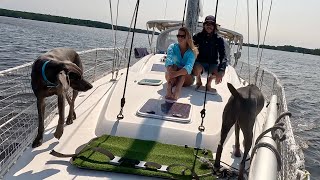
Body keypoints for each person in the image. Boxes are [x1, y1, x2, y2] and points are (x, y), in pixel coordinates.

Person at [192, 15, 227, 92]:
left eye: (212, 24)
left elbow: (223, 56)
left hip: (213, 64)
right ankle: (198, 79)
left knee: (221, 72)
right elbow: (190, 51)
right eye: (207, 24)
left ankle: (209, 81)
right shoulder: (197, 37)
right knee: (195, 68)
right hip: (200, 63)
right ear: (204, 25)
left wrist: (221, 70)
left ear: (214, 26)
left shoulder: (219, 39)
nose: (209, 26)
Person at [165, 27, 198, 100]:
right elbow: (168, 61)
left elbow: (189, 67)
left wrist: (175, 74)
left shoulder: (192, 52)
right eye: (178, 36)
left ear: (187, 38)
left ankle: (177, 91)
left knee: (183, 71)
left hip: (187, 79)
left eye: (182, 36)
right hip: (172, 76)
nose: (180, 38)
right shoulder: (172, 47)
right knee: (173, 66)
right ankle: (169, 88)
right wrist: (172, 72)